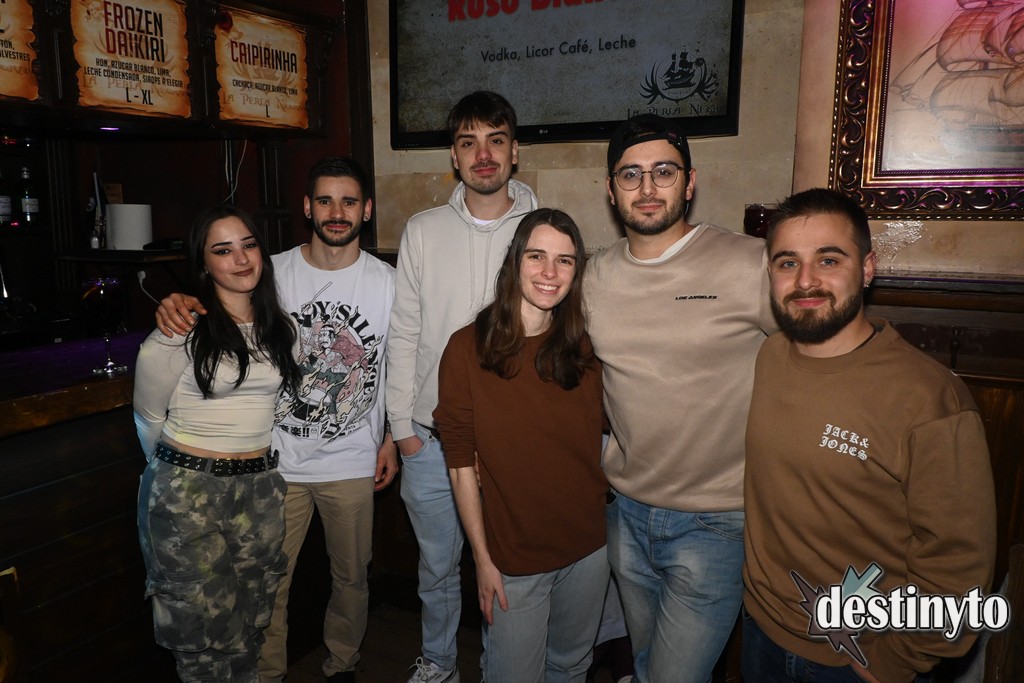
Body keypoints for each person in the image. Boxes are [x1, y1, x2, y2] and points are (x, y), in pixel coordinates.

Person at [155, 158, 398, 683]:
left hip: (352, 459)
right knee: (270, 584)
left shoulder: (389, 283)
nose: (337, 212)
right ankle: (268, 675)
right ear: (307, 207)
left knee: (352, 577)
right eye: (325, 200)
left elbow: (399, 368)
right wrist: (176, 301)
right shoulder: (269, 272)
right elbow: (215, 300)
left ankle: (342, 664)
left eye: (349, 201)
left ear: (366, 210)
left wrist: (392, 438)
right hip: (274, 463)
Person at [742, 187, 996, 682]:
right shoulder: (770, 356)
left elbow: (959, 564)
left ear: (867, 268)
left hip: (860, 658)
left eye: (829, 260)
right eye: (787, 263)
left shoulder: (928, 400)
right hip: (761, 631)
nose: (806, 280)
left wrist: (898, 661)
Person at [584, 114, 777, 683]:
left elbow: (813, 360)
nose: (647, 188)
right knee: (648, 663)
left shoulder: (750, 262)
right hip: (625, 512)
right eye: (630, 175)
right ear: (611, 189)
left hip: (716, 523)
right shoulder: (593, 276)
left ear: (689, 182)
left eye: (663, 172)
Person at [386, 91, 538, 683]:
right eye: (469, 142)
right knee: (436, 568)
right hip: (432, 438)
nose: (484, 154)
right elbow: (403, 333)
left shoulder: (542, 231)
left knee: (507, 565)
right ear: (454, 155)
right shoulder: (422, 231)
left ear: (514, 151)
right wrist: (402, 429)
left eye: (496, 140)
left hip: (512, 441)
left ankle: (503, 667)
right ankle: (440, 662)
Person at [434, 209, 608, 683]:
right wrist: (482, 559)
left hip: (589, 548)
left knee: (571, 667)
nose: (550, 272)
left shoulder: (585, 347)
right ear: (515, 261)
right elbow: (459, 466)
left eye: (564, 260)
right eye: (537, 256)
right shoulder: (466, 349)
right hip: (514, 558)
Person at [135, 205, 302, 682]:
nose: (241, 259)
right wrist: (179, 479)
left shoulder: (281, 328)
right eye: (223, 250)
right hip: (189, 494)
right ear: (204, 264)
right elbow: (148, 418)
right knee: (203, 640)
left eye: (249, 245)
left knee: (250, 627)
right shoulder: (178, 332)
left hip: (260, 490)